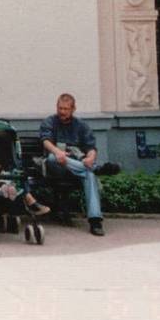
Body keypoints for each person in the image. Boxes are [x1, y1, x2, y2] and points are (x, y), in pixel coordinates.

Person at [40, 92, 105, 235]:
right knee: (52, 158)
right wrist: (57, 152)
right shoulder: (50, 121)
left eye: (65, 109)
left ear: (73, 109)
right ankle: (96, 169)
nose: (62, 112)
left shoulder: (81, 125)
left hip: (75, 164)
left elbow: (91, 148)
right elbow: (46, 141)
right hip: (55, 166)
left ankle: (95, 221)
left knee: (89, 174)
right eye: (60, 108)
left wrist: (90, 159)